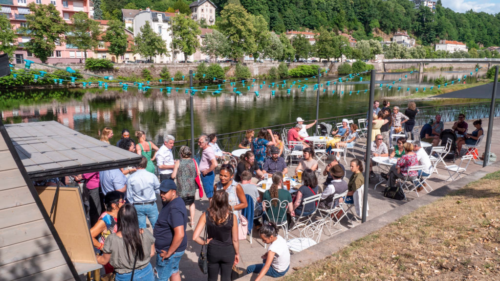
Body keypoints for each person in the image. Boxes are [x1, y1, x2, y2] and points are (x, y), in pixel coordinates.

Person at [96, 204, 155, 281]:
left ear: (120, 219)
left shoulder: (112, 239)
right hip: (146, 273)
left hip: (125, 276)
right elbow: (152, 253)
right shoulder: (146, 233)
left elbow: (103, 261)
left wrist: (93, 257)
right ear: (135, 218)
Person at [193, 190, 240, 281]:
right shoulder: (232, 217)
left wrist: (204, 242)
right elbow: (235, 240)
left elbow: (195, 237)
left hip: (213, 251)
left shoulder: (206, 215)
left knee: (211, 278)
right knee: (226, 278)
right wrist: (237, 253)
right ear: (226, 201)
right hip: (228, 251)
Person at [153, 180, 187, 281]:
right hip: (174, 250)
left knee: (160, 277)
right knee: (174, 272)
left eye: (165, 192)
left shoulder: (174, 208)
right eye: (161, 192)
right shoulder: (173, 201)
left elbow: (180, 234)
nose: (162, 195)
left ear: (173, 192)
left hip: (169, 251)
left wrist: (169, 253)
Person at [90, 191, 125, 275]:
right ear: (113, 205)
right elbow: (89, 236)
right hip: (110, 259)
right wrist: (102, 247)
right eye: (122, 201)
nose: (124, 202)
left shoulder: (120, 214)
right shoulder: (105, 219)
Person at [126, 156, 160, 229]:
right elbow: (158, 189)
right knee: (157, 227)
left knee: (141, 229)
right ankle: (157, 240)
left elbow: (129, 195)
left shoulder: (131, 177)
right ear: (146, 164)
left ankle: (144, 240)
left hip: (138, 205)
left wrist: (133, 204)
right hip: (151, 204)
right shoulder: (152, 176)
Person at [171, 146, 198, 227]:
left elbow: (173, 176)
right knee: (192, 203)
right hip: (191, 187)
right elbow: (198, 172)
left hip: (181, 188)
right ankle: (192, 221)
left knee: (181, 204)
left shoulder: (178, 162)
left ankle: (182, 221)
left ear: (181, 153)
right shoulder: (194, 161)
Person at [199, 135, 218, 200]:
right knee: (210, 194)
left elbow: (215, 164)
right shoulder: (207, 149)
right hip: (206, 175)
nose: (199, 144)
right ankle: (212, 208)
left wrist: (206, 171)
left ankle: (212, 209)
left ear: (206, 142)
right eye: (198, 142)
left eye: (200, 142)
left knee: (210, 195)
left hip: (207, 175)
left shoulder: (208, 150)